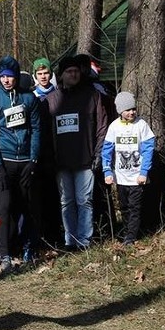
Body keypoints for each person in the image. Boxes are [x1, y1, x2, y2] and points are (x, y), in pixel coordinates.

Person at [0, 56, 42, 272]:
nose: (7, 80)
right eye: (3, 76)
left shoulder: (29, 99)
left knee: (28, 207)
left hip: (25, 161)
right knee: (4, 208)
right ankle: (4, 255)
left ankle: (29, 250)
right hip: (4, 162)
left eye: (10, 76)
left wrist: (34, 159)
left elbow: (36, 130)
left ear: (17, 77)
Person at [45, 56, 108, 250]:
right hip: (61, 161)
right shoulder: (51, 100)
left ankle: (84, 240)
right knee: (66, 202)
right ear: (61, 75)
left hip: (85, 160)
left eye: (76, 71)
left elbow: (102, 126)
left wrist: (98, 154)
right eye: (69, 72)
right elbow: (46, 132)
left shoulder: (92, 96)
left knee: (85, 201)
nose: (73, 74)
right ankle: (69, 240)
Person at [101, 92, 155, 246]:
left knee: (134, 207)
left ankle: (130, 237)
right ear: (120, 111)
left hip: (137, 177)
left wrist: (144, 172)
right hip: (120, 176)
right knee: (124, 206)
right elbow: (107, 151)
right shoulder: (114, 127)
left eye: (133, 109)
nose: (131, 112)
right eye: (127, 110)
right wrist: (107, 171)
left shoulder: (141, 125)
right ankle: (126, 232)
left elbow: (148, 149)